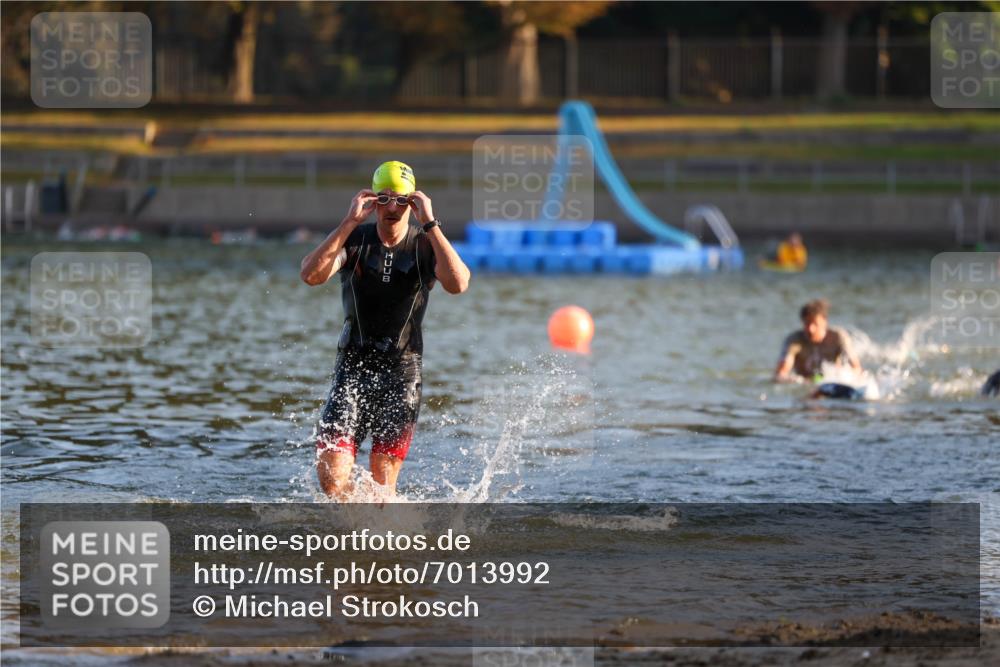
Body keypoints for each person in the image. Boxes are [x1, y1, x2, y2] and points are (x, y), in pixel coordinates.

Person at [300, 161, 471, 499]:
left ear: (413, 202)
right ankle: (351, 536)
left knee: (382, 484)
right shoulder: (355, 241)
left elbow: (458, 283)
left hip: (402, 372)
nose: (392, 208)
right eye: (384, 199)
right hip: (352, 366)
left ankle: (379, 539)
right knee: (332, 481)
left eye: (401, 200)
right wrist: (349, 221)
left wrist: (431, 224)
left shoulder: (424, 245)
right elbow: (311, 275)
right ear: (372, 201)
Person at [773, 298, 862, 383]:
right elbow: (781, 373)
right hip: (805, 382)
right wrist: (798, 381)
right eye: (807, 323)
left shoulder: (838, 337)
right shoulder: (794, 341)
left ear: (824, 321)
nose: (811, 329)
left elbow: (856, 368)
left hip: (831, 380)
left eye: (815, 323)